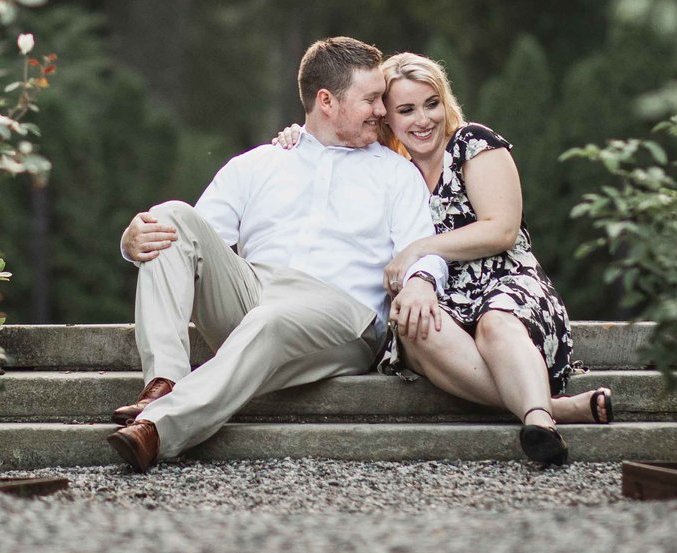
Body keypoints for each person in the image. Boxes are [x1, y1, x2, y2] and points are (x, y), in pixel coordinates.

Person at [105, 36, 448, 472]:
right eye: (371, 100)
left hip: (342, 314)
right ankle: (164, 381)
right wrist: (131, 242)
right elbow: (193, 240)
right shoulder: (260, 162)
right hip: (254, 292)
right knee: (171, 215)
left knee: (271, 319)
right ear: (327, 101)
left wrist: (421, 282)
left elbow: (422, 247)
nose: (381, 111)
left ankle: (158, 427)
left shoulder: (396, 173)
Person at [272, 51, 605, 466]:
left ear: (444, 102)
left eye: (431, 104)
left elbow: (501, 229)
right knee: (412, 326)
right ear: (386, 117)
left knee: (495, 323)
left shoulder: (472, 143)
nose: (422, 120)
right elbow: (323, 146)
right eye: (406, 109)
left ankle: (539, 419)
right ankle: (556, 407)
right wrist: (296, 137)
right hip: (440, 294)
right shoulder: (393, 170)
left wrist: (418, 250)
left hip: (505, 281)